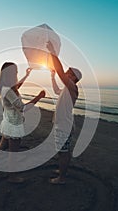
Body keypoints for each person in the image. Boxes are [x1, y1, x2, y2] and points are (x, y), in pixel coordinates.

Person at [0, 62, 45, 183]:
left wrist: (26, 75)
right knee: (13, 152)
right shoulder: (8, 91)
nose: (17, 73)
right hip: (14, 125)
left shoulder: (6, 88)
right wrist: (39, 97)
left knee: (2, 146)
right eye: (15, 72)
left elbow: (17, 86)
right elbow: (23, 108)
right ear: (9, 74)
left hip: (8, 122)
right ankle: (12, 177)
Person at [47, 41, 82, 184]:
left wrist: (52, 52)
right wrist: (52, 76)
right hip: (61, 124)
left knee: (63, 151)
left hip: (64, 126)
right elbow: (56, 90)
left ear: (74, 78)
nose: (66, 73)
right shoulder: (66, 89)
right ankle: (62, 170)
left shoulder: (72, 87)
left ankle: (61, 178)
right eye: (66, 71)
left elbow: (61, 71)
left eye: (69, 72)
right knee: (62, 150)